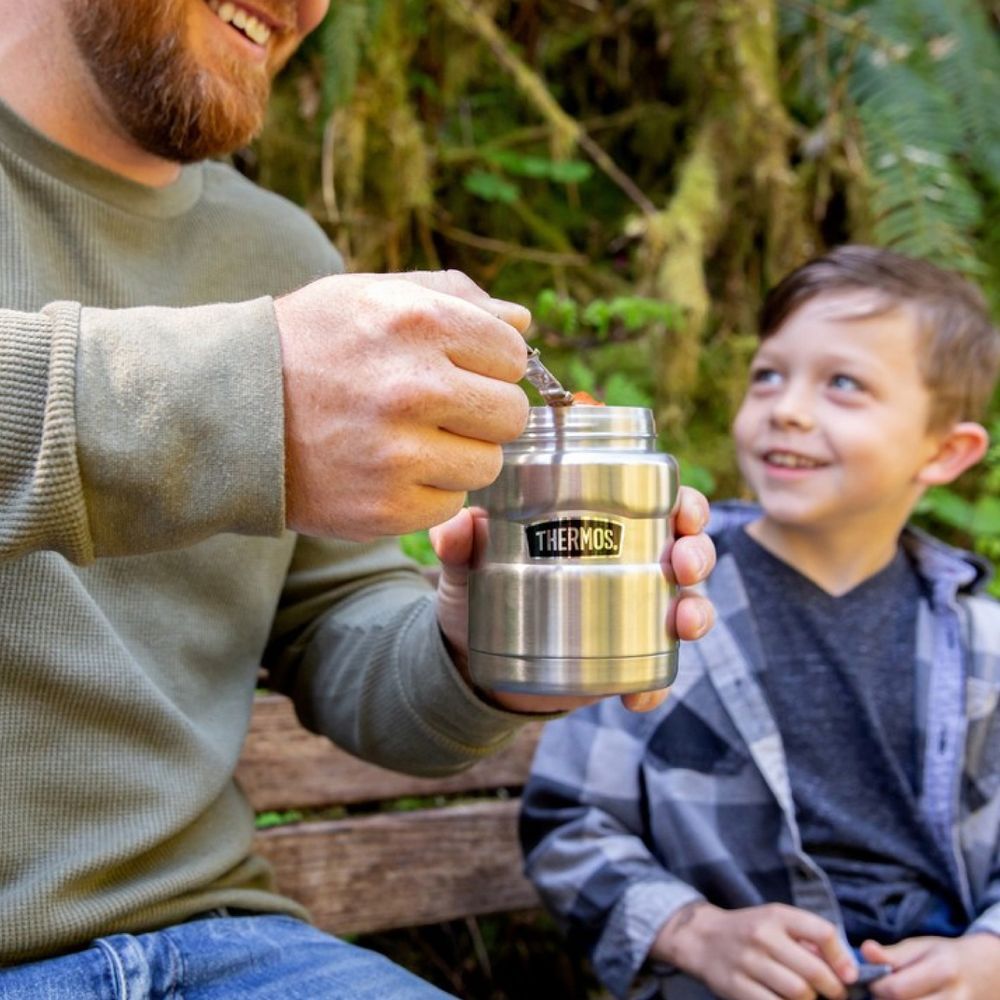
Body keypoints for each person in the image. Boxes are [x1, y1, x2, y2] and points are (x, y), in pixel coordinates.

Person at [0, 1, 718, 997]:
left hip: (220, 946)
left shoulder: (277, 253)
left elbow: (330, 624)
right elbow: (232, 395)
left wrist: (479, 655)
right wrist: (242, 392)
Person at [521, 245, 1000, 1000]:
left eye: (843, 384)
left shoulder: (982, 648)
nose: (788, 408)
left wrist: (991, 955)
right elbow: (568, 820)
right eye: (768, 375)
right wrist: (694, 931)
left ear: (946, 451)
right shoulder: (660, 597)